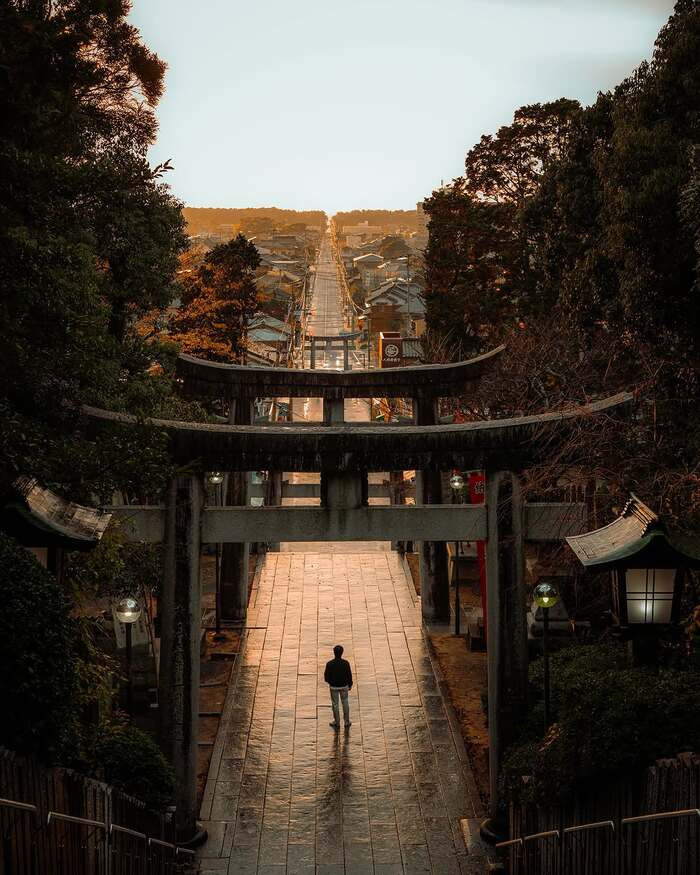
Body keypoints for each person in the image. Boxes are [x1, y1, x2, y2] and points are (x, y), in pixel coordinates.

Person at [324, 644, 353, 728]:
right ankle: (346, 721)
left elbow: (326, 676)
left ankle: (337, 721)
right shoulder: (346, 663)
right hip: (344, 686)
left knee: (335, 704)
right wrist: (350, 684)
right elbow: (349, 675)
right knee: (345, 702)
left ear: (334, 653)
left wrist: (330, 682)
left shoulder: (329, 664)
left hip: (334, 686)